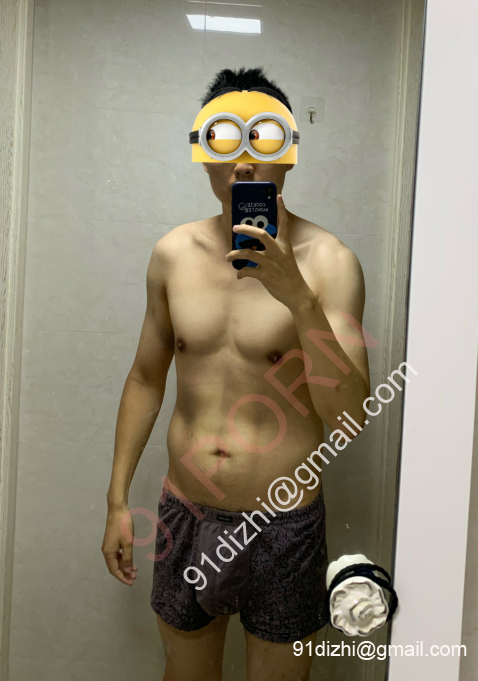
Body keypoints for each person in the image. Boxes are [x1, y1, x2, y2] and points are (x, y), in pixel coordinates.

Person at [101, 67, 370, 681]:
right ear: (203, 153)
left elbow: (350, 417)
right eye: (225, 139)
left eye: (263, 138)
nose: (244, 162)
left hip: (284, 523)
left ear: (289, 151)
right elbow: (145, 379)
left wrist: (297, 298)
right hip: (184, 511)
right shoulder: (173, 254)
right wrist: (116, 500)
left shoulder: (331, 263)